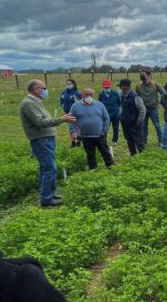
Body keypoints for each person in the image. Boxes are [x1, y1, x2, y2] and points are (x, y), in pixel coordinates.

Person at [19, 80, 75, 208]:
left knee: (46, 168)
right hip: (41, 139)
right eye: (44, 88)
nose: (46, 90)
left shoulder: (36, 102)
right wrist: (61, 119)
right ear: (36, 89)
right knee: (50, 168)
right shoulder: (28, 104)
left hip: (46, 138)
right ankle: (46, 199)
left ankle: (50, 193)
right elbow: (40, 122)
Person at [69, 88, 114, 170]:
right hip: (85, 135)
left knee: (105, 151)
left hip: (100, 134)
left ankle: (111, 167)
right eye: (86, 94)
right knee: (90, 154)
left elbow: (106, 118)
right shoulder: (75, 106)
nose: (88, 96)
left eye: (91, 94)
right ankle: (93, 169)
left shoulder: (100, 105)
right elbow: (71, 120)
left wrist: (104, 130)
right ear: (82, 95)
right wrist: (73, 131)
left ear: (93, 95)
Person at [136, 69, 164, 145]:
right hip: (143, 109)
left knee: (157, 125)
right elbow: (136, 96)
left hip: (153, 108)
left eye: (143, 74)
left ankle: (161, 141)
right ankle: (144, 141)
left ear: (148, 75)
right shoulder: (139, 85)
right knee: (144, 126)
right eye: (140, 74)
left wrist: (161, 103)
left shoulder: (155, 84)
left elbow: (163, 93)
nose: (141, 75)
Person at [118, 79, 146, 156]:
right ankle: (133, 155)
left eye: (121, 86)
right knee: (129, 140)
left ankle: (142, 156)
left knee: (139, 140)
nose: (120, 88)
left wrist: (139, 121)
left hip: (134, 123)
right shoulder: (122, 96)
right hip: (125, 123)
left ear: (126, 87)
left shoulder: (135, 97)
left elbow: (142, 110)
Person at [98, 79, 121, 146]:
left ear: (110, 87)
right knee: (105, 128)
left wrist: (115, 110)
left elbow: (119, 103)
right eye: (105, 87)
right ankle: (104, 140)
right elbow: (100, 104)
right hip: (106, 115)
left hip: (115, 115)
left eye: (108, 87)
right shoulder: (101, 94)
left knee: (116, 128)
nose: (107, 89)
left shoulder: (116, 94)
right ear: (103, 87)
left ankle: (115, 140)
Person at [60, 79, 82, 147]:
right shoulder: (64, 92)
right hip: (67, 113)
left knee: (77, 127)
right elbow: (61, 100)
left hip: (76, 113)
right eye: (67, 84)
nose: (68, 85)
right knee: (70, 128)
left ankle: (78, 141)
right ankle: (73, 142)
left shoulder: (77, 93)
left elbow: (80, 103)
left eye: (69, 84)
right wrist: (63, 107)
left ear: (73, 84)